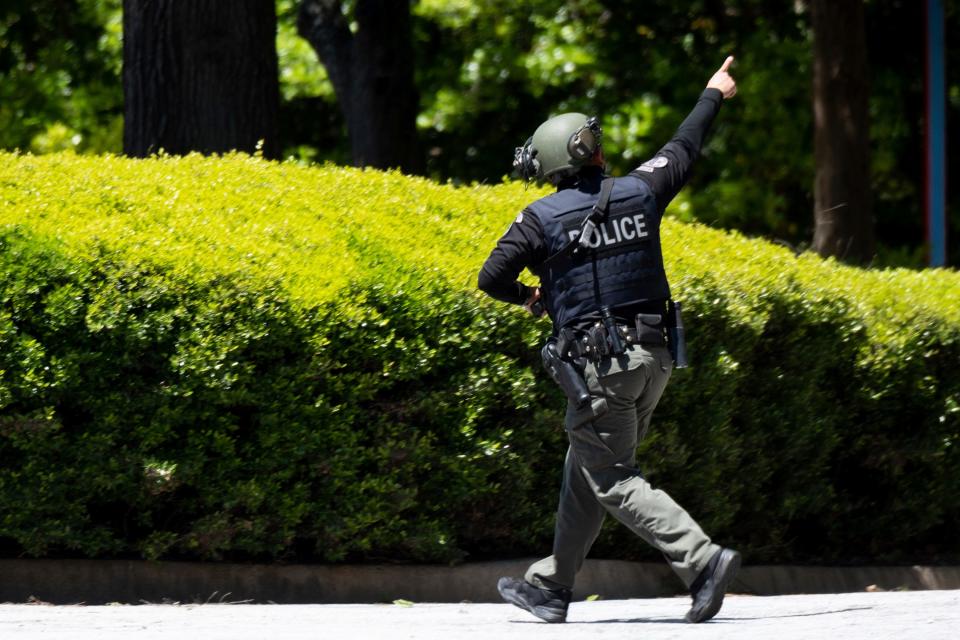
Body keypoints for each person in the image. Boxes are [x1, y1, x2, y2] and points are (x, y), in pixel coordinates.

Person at [477, 56, 740, 624]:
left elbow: (491, 277)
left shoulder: (539, 218)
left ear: (550, 166)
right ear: (595, 150)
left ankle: (702, 560)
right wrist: (712, 92)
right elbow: (684, 145)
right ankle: (551, 585)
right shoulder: (641, 191)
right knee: (587, 468)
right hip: (656, 362)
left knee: (614, 477)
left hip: (602, 369)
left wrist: (529, 297)